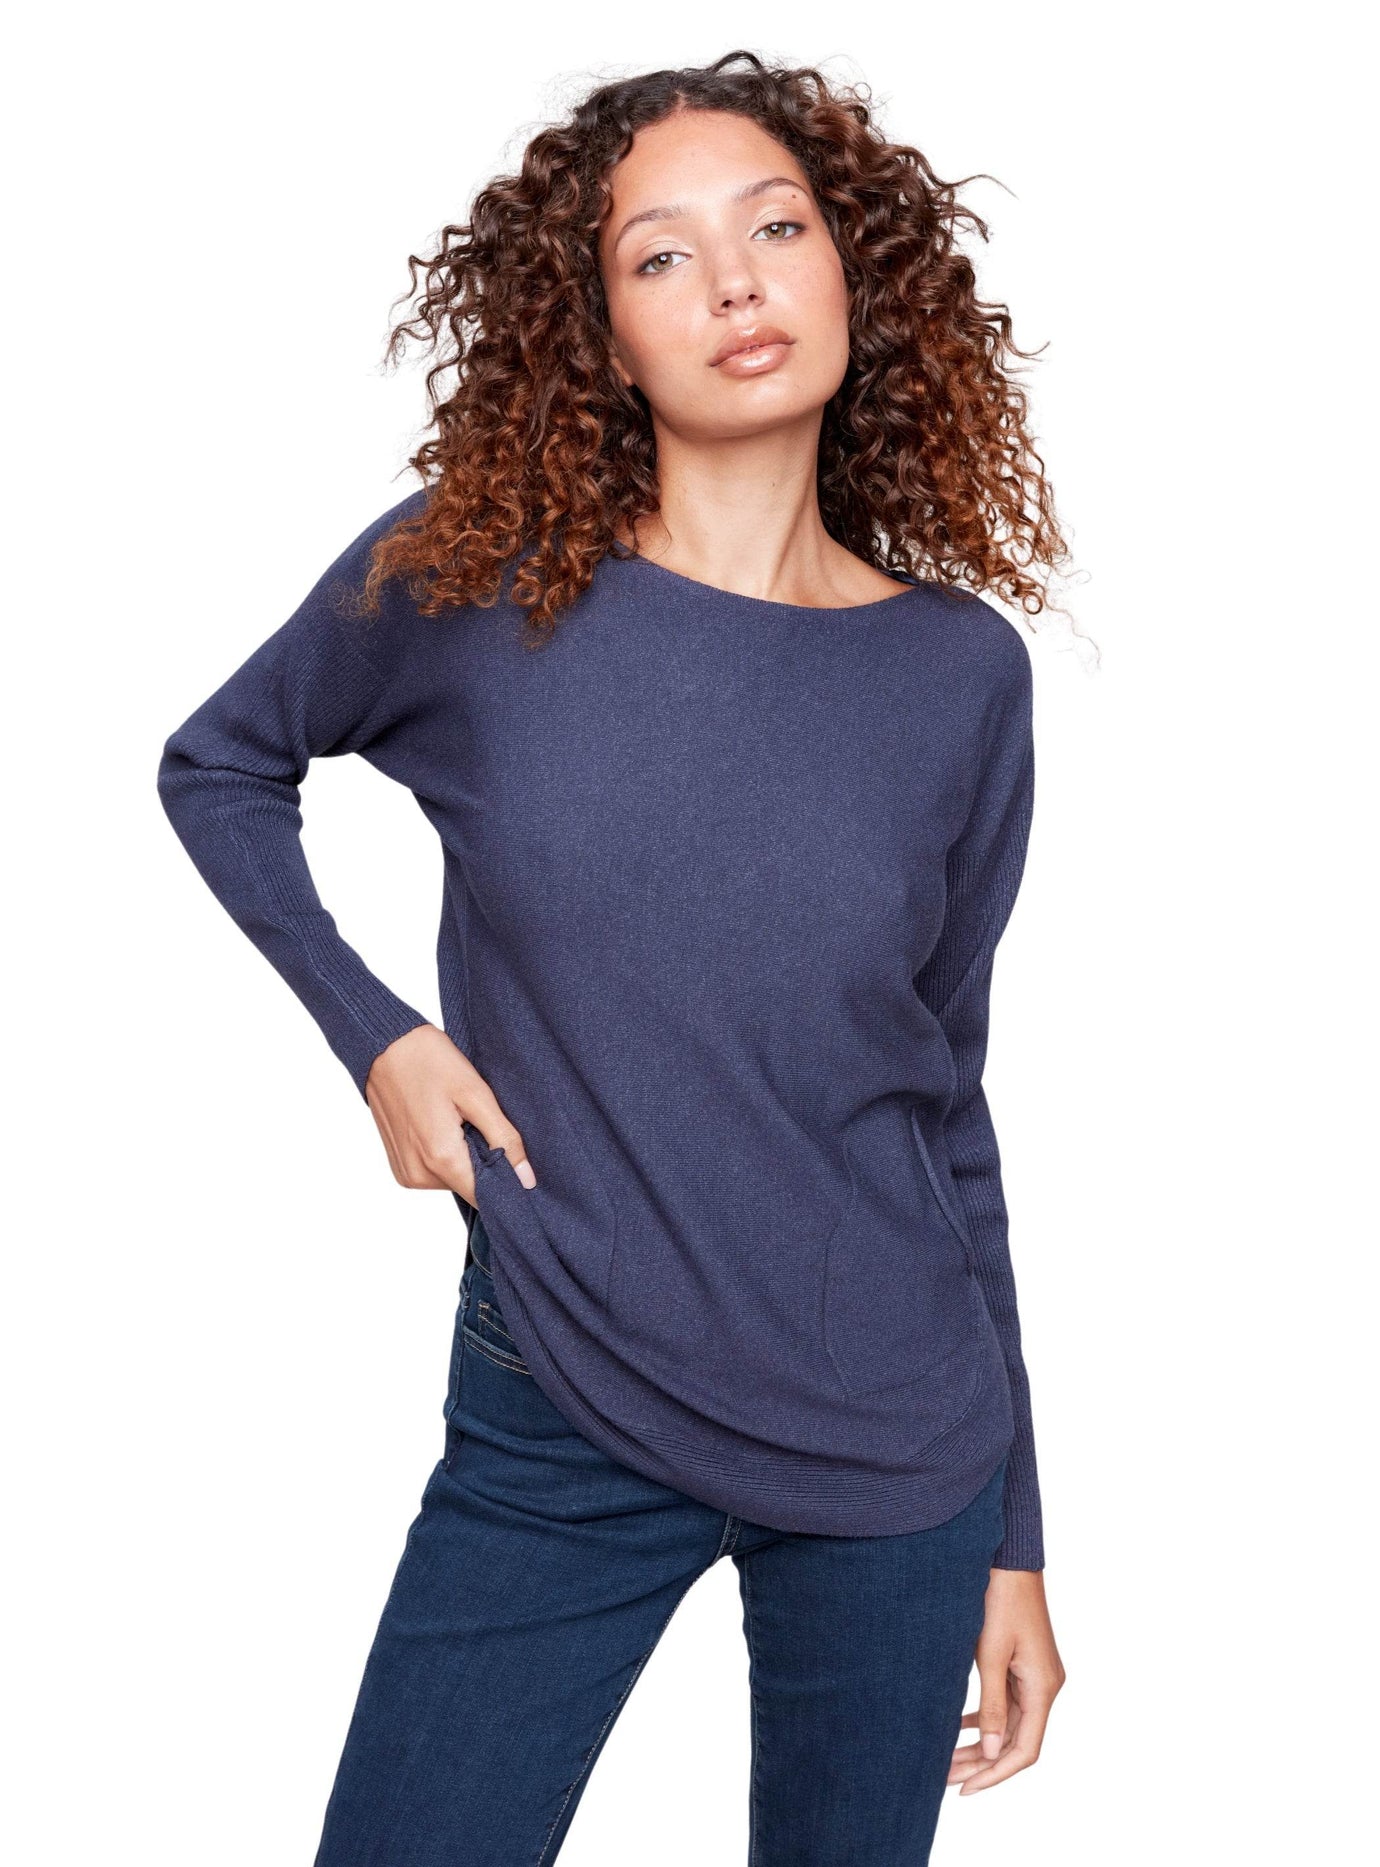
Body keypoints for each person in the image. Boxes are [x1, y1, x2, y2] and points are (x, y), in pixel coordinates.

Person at [157, 50, 1070, 1866]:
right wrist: (378, 1036)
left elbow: (945, 1108)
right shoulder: (477, 584)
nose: (733, 283)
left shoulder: (961, 675)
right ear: (599, 337)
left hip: (898, 1452)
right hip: (562, 1390)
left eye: (777, 228)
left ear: (855, 268)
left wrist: (1015, 1536)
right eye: (661, 256)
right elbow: (222, 767)